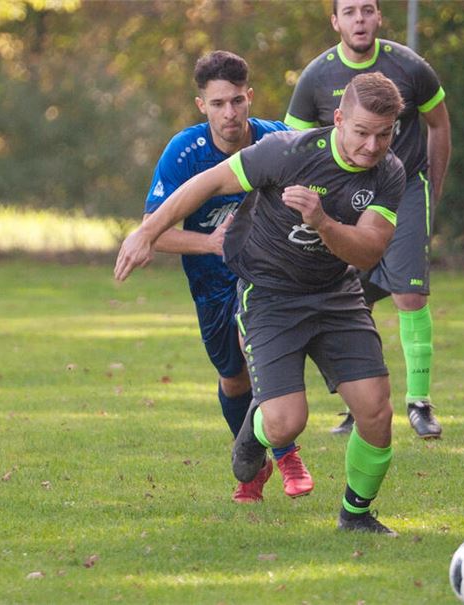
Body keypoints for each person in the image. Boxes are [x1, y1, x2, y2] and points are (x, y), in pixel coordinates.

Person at [116, 72, 408, 535]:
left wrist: (322, 221)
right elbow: (206, 185)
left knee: (376, 411)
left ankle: (356, 515)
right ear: (337, 120)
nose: (373, 146)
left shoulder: (389, 172)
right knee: (286, 422)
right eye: (361, 132)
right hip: (271, 294)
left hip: (336, 294)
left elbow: (369, 250)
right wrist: (146, 233)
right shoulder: (288, 152)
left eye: (384, 134)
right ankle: (255, 431)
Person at [141, 50, 313, 503]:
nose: (230, 113)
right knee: (235, 378)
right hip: (210, 284)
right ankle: (250, 465)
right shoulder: (185, 151)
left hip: (267, 279)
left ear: (250, 97)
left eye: (237, 101)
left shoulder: (277, 140)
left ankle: (287, 453)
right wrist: (212, 243)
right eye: (218, 104)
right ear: (202, 105)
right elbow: (153, 232)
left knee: (255, 352)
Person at [284, 0, 452, 440]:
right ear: (335, 20)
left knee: (409, 295)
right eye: (350, 11)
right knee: (347, 297)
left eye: (368, 9)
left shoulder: (411, 67)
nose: (360, 19)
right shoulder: (316, 77)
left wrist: (432, 190)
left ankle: (419, 404)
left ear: (379, 17)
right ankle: (358, 405)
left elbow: (439, 125)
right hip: (343, 199)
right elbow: (295, 146)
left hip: (405, 191)